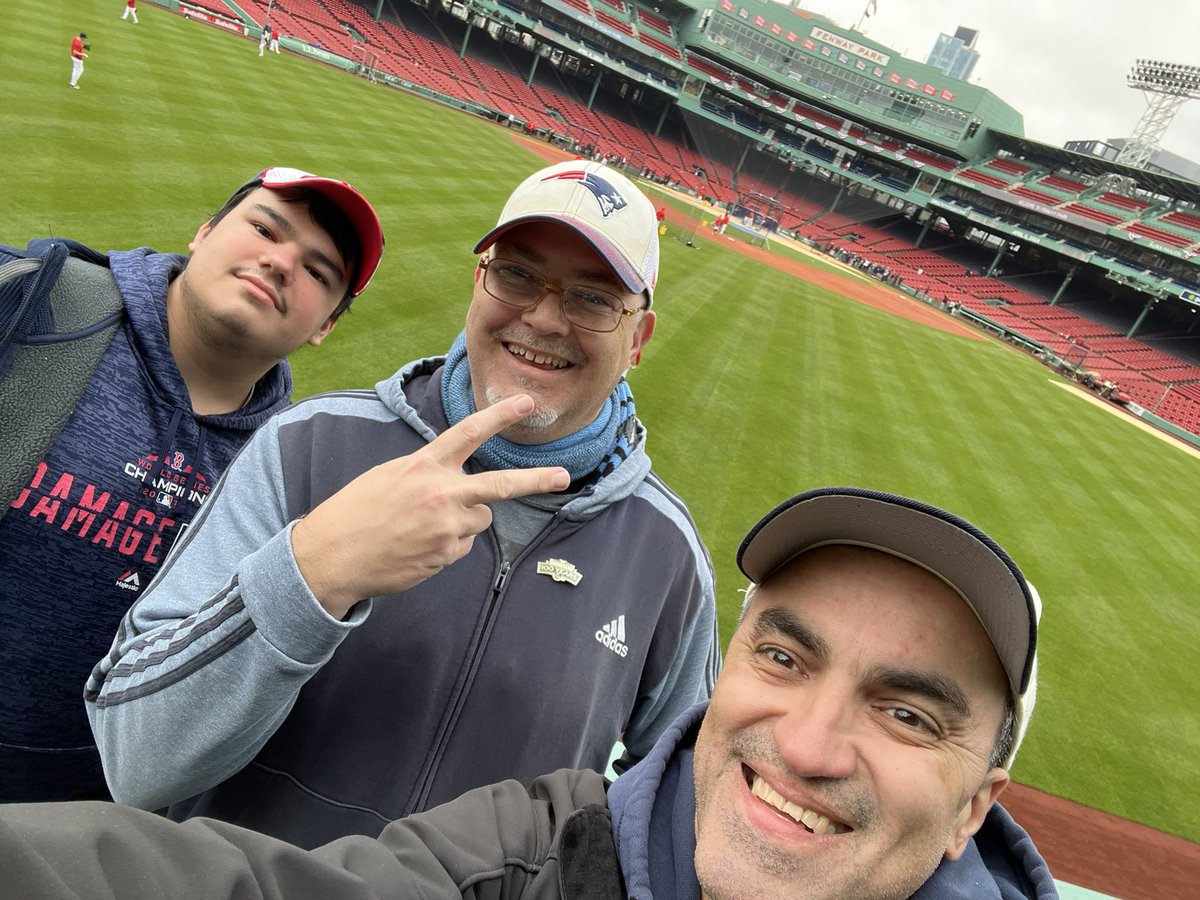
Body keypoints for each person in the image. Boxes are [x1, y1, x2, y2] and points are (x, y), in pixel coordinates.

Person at [86, 159, 720, 848]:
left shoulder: (668, 555)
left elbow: (686, 819)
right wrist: (316, 574)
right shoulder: (310, 445)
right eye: (515, 274)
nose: (542, 316)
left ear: (638, 341)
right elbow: (135, 760)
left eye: (593, 298)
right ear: (477, 283)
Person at [0, 487, 1054, 898]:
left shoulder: (663, 549)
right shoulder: (528, 854)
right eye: (784, 658)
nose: (811, 743)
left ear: (977, 806)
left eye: (907, 713)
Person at [0, 166, 386, 803]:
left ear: (327, 327)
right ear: (204, 234)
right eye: (264, 228)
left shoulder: (294, 466)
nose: (280, 262)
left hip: (87, 835)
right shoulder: (39, 302)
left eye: (319, 273)